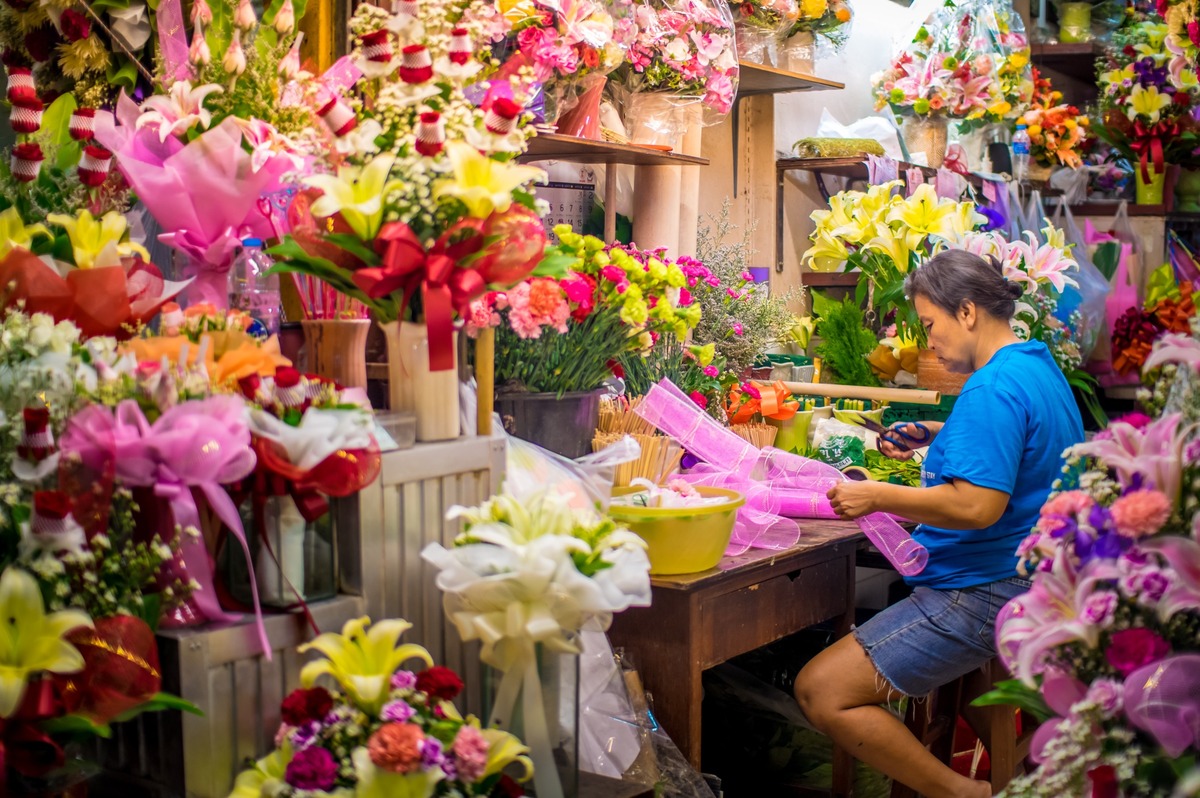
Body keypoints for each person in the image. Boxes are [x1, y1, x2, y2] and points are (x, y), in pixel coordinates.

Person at [792, 250, 1085, 798]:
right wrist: (938, 435)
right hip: (1036, 576)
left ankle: (963, 792)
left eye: (930, 325)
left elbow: (978, 507)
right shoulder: (1033, 364)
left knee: (820, 690)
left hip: (988, 588)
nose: (929, 342)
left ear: (967, 312)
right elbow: (1018, 449)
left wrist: (878, 495)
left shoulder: (990, 389)